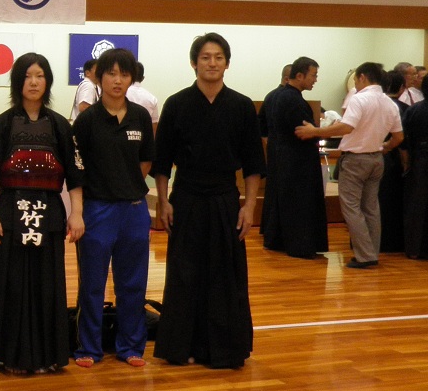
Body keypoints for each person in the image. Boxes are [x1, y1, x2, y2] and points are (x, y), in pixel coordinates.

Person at [152, 33, 265, 369]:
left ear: (227, 63)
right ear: (194, 63)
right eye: (205, 57)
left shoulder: (242, 106)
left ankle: (224, 350)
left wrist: (249, 206)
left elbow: (254, 164)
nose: (212, 63)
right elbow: (162, 162)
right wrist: (163, 201)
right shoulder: (177, 104)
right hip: (185, 198)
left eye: (218, 57)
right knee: (184, 274)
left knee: (225, 275)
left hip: (224, 201)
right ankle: (181, 346)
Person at [0, 53, 84, 374]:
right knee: (9, 285)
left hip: (48, 214)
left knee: (46, 286)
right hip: (8, 215)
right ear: (17, 82)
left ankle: (46, 355)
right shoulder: (1, 125)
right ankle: (9, 356)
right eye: (27, 76)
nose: (34, 82)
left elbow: (75, 177)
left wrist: (77, 214)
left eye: (39, 76)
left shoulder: (60, 126)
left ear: (47, 81)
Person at [71, 48, 153, 369]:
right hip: (96, 210)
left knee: (132, 283)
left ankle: (131, 346)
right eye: (111, 73)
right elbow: (76, 169)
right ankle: (88, 348)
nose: (118, 80)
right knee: (92, 284)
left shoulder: (140, 116)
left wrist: (126, 186)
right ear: (99, 77)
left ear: (132, 78)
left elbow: (145, 160)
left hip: (133, 211)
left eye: (124, 74)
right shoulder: (87, 120)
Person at [297, 62, 402, 268]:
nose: (356, 84)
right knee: (371, 208)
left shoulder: (359, 98)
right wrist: (384, 147)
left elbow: (346, 127)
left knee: (352, 208)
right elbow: (398, 137)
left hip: (355, 160)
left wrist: (314, 131)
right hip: (376, 159)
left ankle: (365, 256)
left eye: (356, 80)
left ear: (362, 77)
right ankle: (372, 253)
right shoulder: (389, 103)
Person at [259, 57, 328, 260]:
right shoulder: (292, 99)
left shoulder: (277, 95)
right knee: (299, 204)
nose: (315, 80)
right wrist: (319, 132)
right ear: (299, 75)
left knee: (283, 200)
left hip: (282, 157)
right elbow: (304, 131)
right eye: (313, 75)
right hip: (298, 160)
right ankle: (301, 246)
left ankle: (278, 240)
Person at [378, 71, 410, 253]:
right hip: (393, 157)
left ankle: (371, 241)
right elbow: (402, 139)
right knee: (393, 201)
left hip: (373, 153)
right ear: (401, 88)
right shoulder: (403, 108)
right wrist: (406, 162)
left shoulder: (373, 104)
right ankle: (392, 242)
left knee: (373, 201)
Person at [403, 95, 428, 259]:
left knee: (418, 204)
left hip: (420, 160)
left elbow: (404, 139)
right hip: (421, 158)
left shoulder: (414, 110)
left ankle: (415, 250)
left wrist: (406, 162)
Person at [126, 61, 160, 130]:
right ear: (142, 78)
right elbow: (154, 127)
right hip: (144, 135)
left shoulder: (120, 95)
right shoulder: (152, 99)